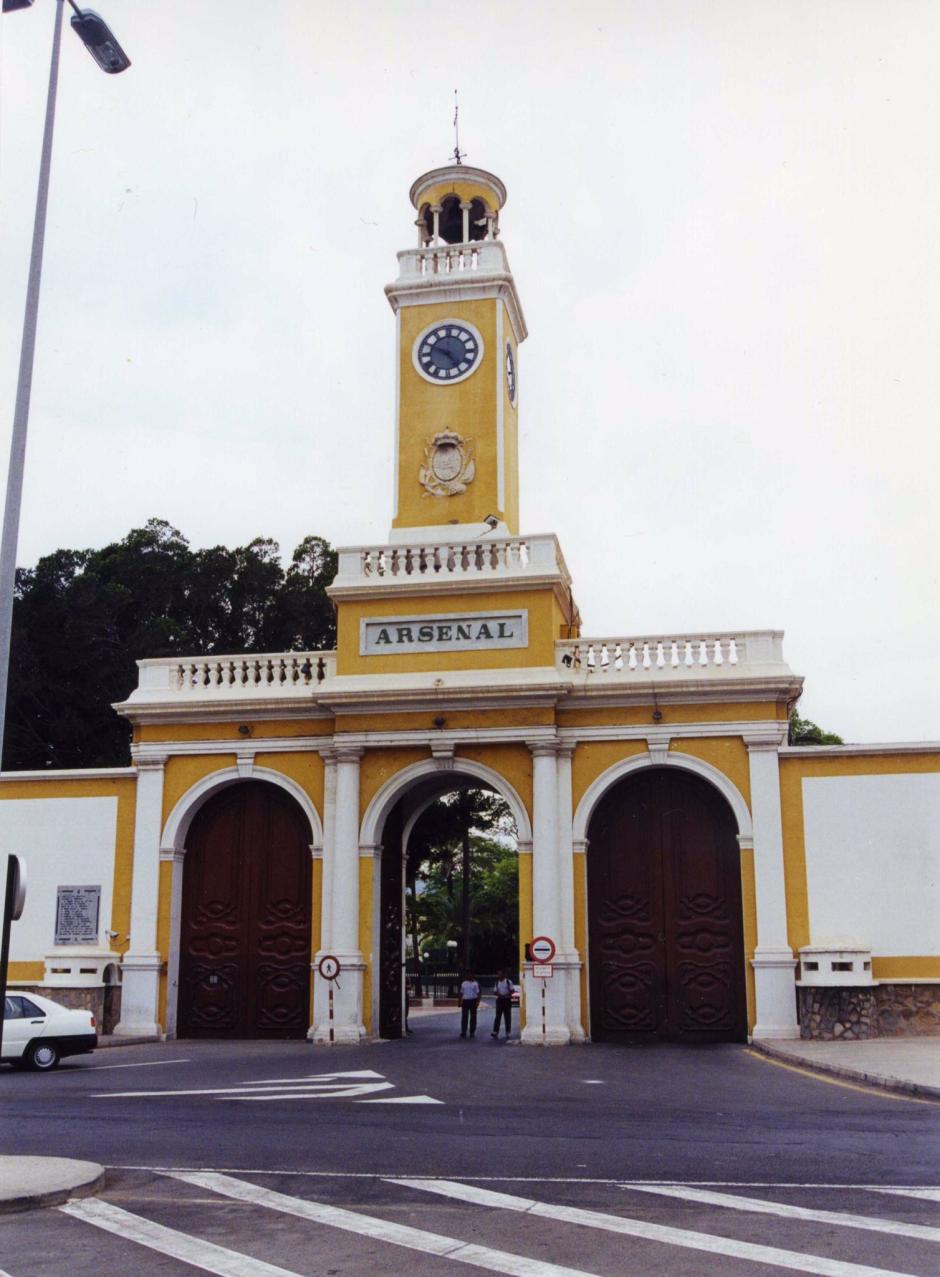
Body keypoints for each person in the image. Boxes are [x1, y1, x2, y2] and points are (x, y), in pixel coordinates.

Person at [491, 969, 513, 1040]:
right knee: (497, 1017)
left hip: (507, 1000)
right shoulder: (497, 982)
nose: (498, 975)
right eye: (498, 974)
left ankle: (508, 1032)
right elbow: (494, 991)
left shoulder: (508, 982)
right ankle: (495, 1031)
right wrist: (500, 995)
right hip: (500, 1000)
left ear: (503, 974)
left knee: (507, 1017)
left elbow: (512, 990)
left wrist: (506, 995)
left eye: (500, 974)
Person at [459, 971, 480, 1038]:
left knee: (473, 1017)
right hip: (465, 1001)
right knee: (464, 1016)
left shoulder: (475, 984)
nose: (469, 976)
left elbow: (478, 994)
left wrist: (477, 1002)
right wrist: (460, 1001)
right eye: (468, 974)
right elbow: (461, 993)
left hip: (473, 1000)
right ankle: (463, 1031)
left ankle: (472, 1031)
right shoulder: (464, 983)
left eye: (470, 974)